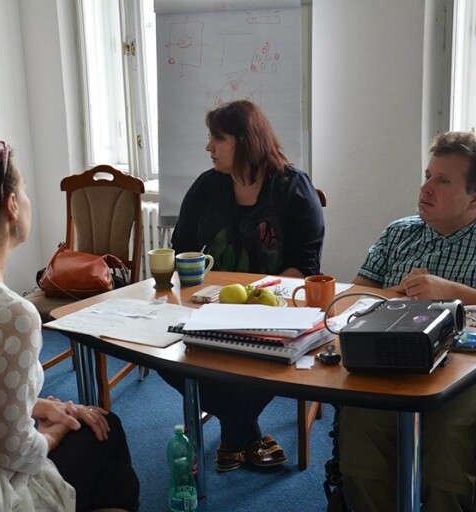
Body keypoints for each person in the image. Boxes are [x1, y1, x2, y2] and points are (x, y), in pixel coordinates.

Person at [0, 141, 140, 511]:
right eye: (25, 189)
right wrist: (56, 432)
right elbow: (13, 451)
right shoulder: (11, 315)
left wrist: (41, 406)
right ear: (11, 205)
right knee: (107, 429)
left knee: (105, 455)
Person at [161, 100, 325, 472]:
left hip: (274, 313)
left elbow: (305, 267)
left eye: (218, 138)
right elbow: (182, 248)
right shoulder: (207, 186)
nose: (209, 147)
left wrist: (252, 301)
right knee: (163, 353)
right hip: (211, 311)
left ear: (246, 141)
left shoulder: (293, 188)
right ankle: (246, 431)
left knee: (273, 360)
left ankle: (233, 434)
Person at [335, 131, 476, 512]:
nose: (426, 188)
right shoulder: (399, 232)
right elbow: (353, 298)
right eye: (428, 176)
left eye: (443, 181)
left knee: (449, 442)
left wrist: (452, 292)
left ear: (474, 198)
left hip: (465, 372)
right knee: (360, 426)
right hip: (390, 361)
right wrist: (395, 295)